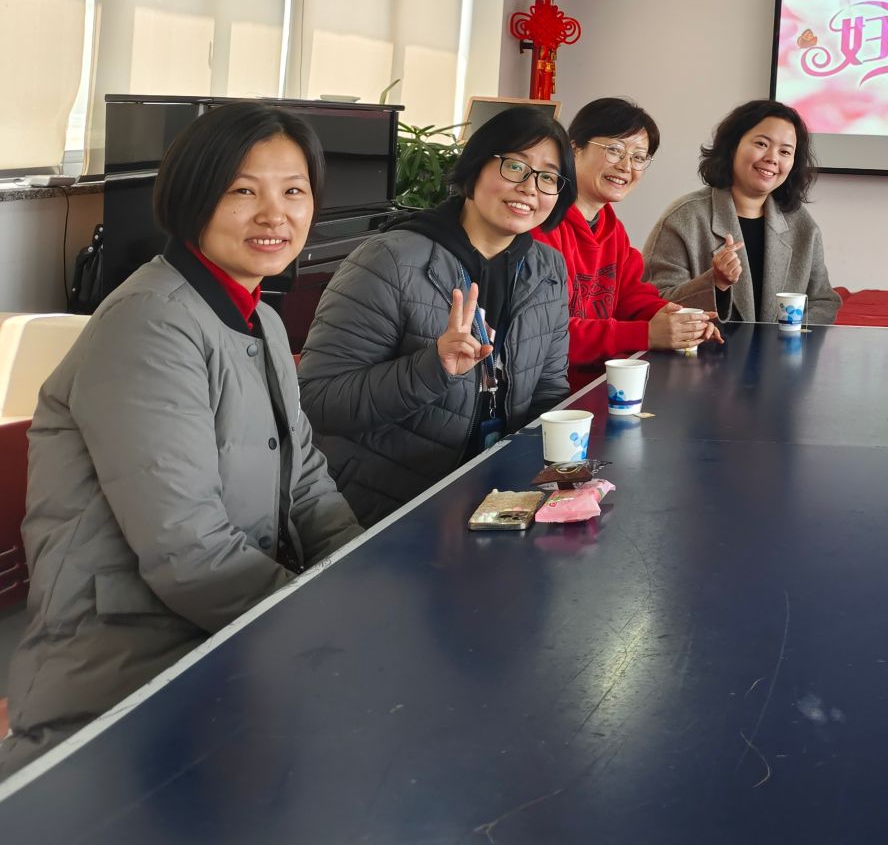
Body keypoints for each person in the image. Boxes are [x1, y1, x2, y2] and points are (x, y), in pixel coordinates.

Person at [1, 104, 360, 776]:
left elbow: (307, 478)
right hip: (129, 678)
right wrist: (325, 627)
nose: (274, 214)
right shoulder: (150, 324)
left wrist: (357, 577)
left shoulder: (260, 320)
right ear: (192, 196)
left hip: (224, 642)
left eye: (294, 191)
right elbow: (188, 549)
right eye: (243, 190)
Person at [299, 107, 572, 524]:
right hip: (389, 508)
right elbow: (318, 401)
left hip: (495, 500)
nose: (529, 187)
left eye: (548, 177)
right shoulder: (390, 260)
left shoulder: (547, 269)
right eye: (515, 166)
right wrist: (432, 368)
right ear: (476, 167)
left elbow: (548, 390)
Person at [535, 96, 717, 365]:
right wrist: (645, 334)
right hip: (559, 387)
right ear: (574, 148)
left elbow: (631, 297)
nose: (626, 166)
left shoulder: (613, 229)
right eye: (614, 150)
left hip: (606, 376)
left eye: (639, 157)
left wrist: (676, 318)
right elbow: (548, 334)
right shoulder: (543, 226)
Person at [642, 99, 841, 327]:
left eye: (785, 151)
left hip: (780, 350)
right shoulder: (684, 218)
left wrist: (785, 336)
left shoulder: (802, 224)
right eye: (762, 144)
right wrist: (714, 283)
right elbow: (652, 304)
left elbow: (824, 302)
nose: (772, 158)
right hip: (705, 350)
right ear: (732, 146)